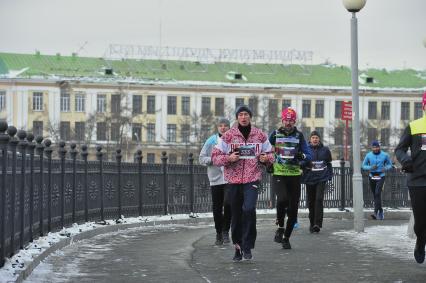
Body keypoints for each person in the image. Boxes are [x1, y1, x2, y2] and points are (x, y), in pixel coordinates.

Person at [212, 105, 274, 261]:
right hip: (233, 180)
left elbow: (271, 154)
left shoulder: (259, 135)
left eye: (246, 114)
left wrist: (266, 159)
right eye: (241, 114)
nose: (244, 117)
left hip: (252, 179)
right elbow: (215, 157)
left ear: (250, 117)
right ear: (237, 117)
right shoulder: (228, 136)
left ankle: (248, 245)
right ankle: (238, 247)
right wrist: (229, 158)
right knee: (236, 214)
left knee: (249, 209)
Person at [269, 107, 312, 249]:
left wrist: (303, 157)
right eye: (286, 120)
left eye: (291, 120)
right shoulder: (275, 134)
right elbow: (265, 149)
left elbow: (308, 154)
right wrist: (267, 161)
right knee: (282, 200)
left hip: (294, 175)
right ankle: (280, 227)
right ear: (282, 120)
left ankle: (286, 237)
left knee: (293, 209)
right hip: (279, 173)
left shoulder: (299, 136)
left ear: (294, 122)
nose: (288, 123)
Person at [395, 91, 426, 264]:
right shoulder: (414, 126)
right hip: (418, 181)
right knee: (421, 221)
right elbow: (399, 149)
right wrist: (405, 160)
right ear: (423, 106)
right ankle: (421, 241)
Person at [199, 118, 232, 245]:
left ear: (229, 127)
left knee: (228, 204)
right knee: (217, 208)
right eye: (220, 126)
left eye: (225, 126)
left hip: (230, 178)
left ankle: (225, 231)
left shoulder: (233, 140)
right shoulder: (211, 141)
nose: (223, 128)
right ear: (217, 127)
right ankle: (218, 232)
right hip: (216, 179)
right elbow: (202, 158)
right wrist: (214, 160)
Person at [302, 130, 333, 233]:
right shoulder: (306, 150)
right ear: (310, 139)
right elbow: (302, 162)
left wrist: (329, 175)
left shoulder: (325, 150)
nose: (315, 139)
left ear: (319, 139)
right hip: (310, 178)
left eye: (316, 137)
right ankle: (312, 223)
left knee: (319, 199)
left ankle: (317, 224)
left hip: (321, 178)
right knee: (311, 201)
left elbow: (328, 163)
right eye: (313, 137)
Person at [362, 140, 393, 220]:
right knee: (375, 195)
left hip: (381, 176)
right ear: (372, 148)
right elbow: (363, 166)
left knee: (377, 193)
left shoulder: (385, 155)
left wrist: (385, 168)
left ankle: (375, 213)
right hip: (372, 176)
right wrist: (370, 167)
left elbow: (390, 164)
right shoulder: (368, 155)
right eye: (374, 147)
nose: (375, 149)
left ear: (379, 147)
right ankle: (381, 210)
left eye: (377, 147)